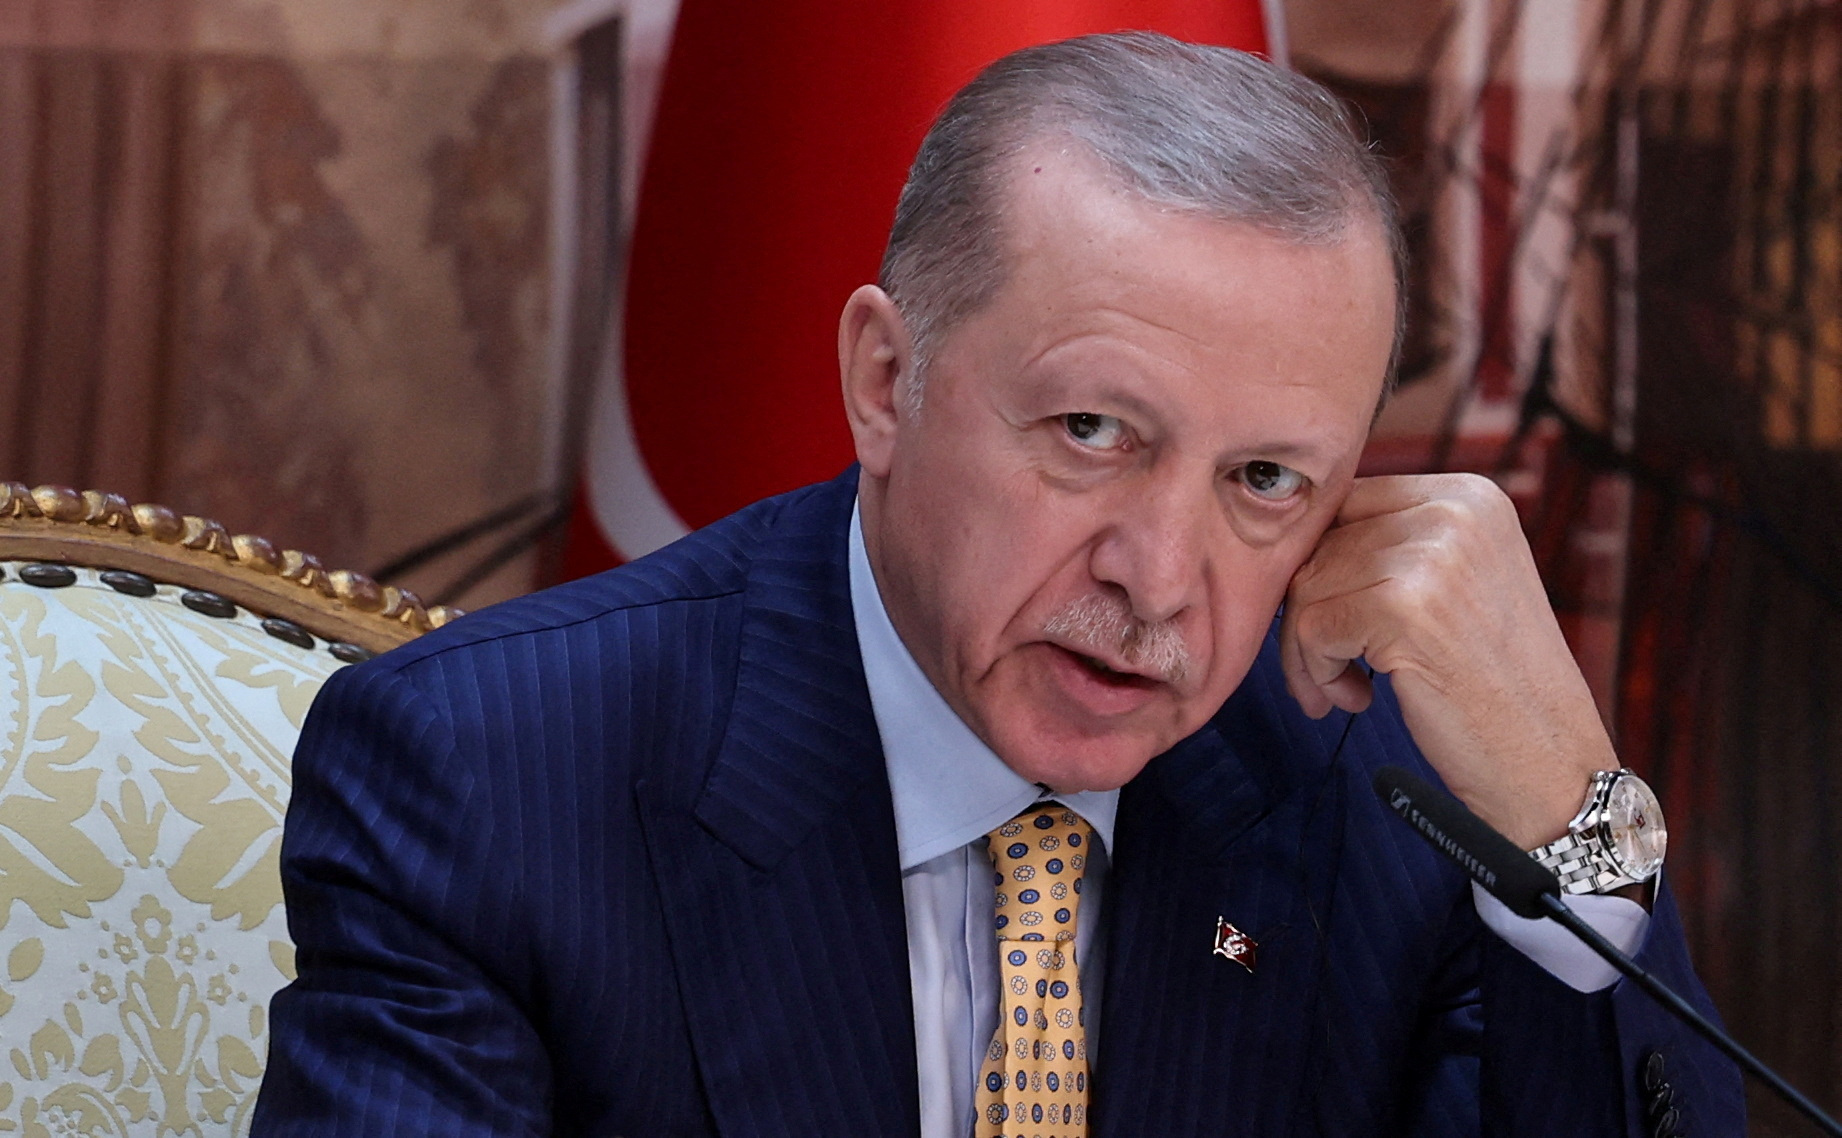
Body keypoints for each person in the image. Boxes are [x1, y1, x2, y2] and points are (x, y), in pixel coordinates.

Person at [252, 32, 1743, 1138]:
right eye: (1091, 431)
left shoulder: (1389, 790)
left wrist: (1576, 828)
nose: (1161, 581)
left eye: (1264, 480)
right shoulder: (495, 771)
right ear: (884, 381)